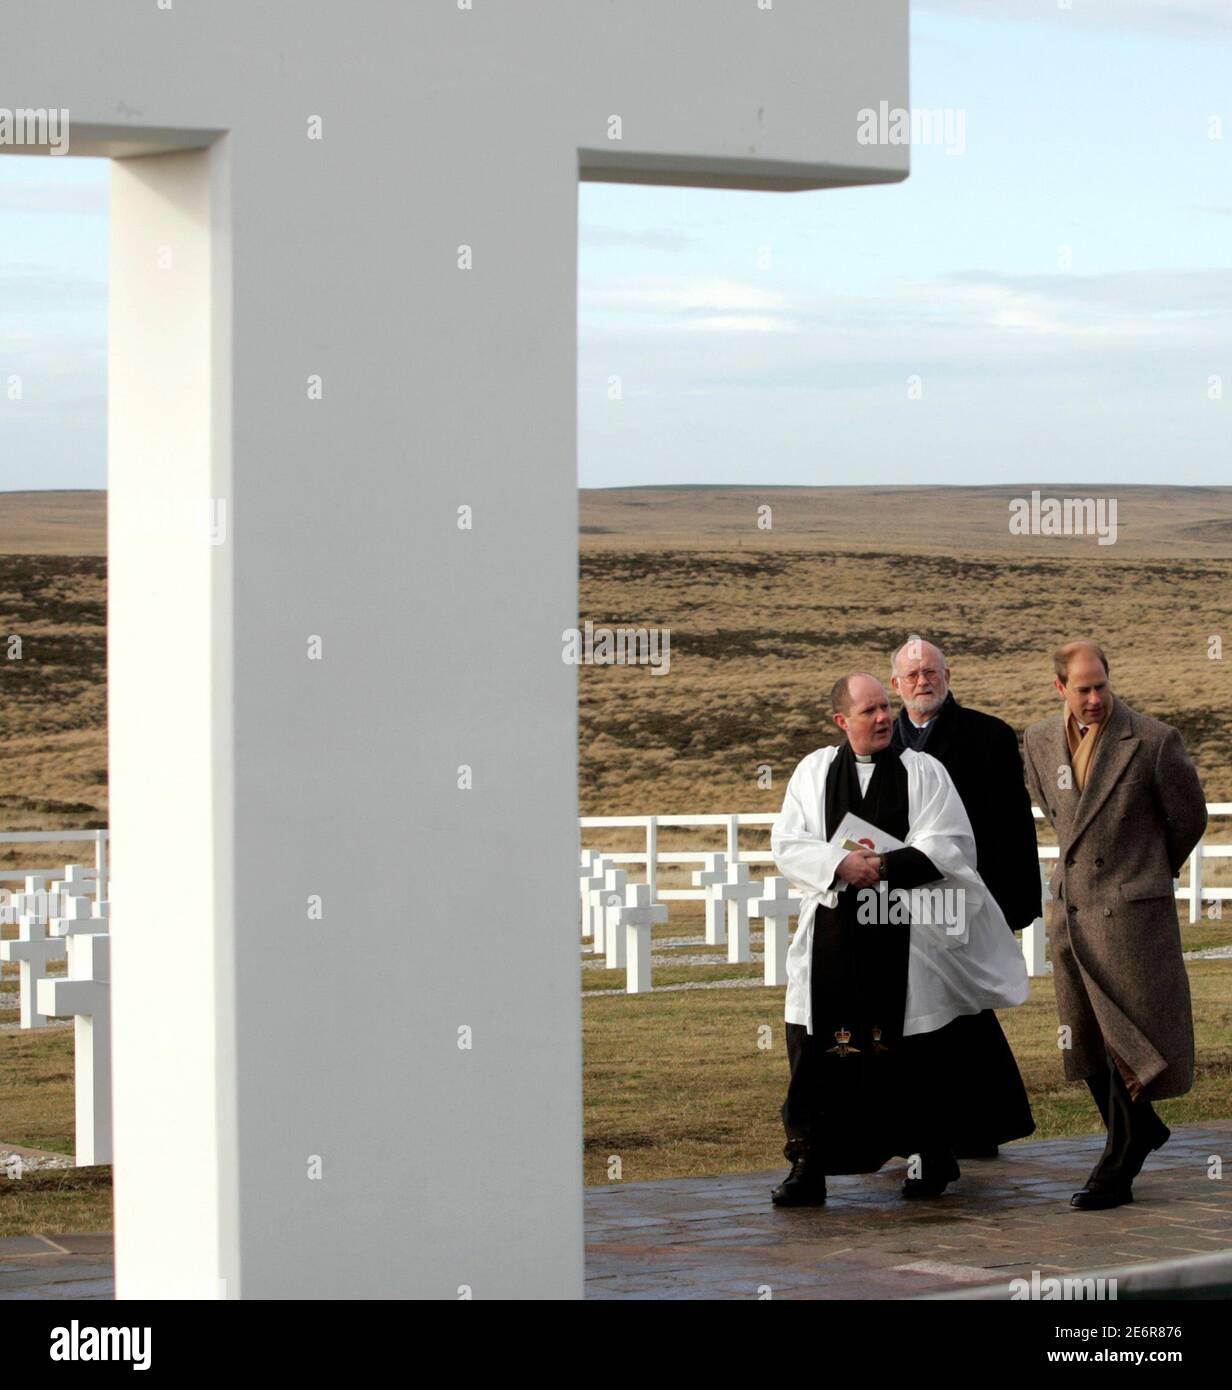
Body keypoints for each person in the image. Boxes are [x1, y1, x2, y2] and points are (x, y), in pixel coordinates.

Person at [770, 672, 1029, 1207]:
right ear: (843, 721)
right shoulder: (814, 771)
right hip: (833, 936)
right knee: (820, 1049)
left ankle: (927, 1158)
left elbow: (951, 841)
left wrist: (883, 864)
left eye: (886, 707)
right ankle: (810, 1165)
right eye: (869, 711)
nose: (884, 718)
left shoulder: (923, 770)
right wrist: (839, 862)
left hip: (907, 932)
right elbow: (788, 842)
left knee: (917, 1054)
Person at [1023, 641, 1207, 1211]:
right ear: (1060, 688)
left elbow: (1189, 818)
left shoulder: (1153, 740)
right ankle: (1139, 1131)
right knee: (1089, 1039)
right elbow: (1059, 818)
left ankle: (1118, 1163)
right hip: (1071, 912)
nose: (1096, 697)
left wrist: (1142, 874)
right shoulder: (1037, 741)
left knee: (1129, 1033)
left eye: (1101, 684)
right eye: (1083, 689)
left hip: (1130, 917)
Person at [889, 635, 1038, 1158]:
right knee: (918, 1010)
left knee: (968, 1006)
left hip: (970, 897)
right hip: (902, 902)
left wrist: (1015, 903)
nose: (922, 681)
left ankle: (982, 1124)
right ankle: (918, 1127)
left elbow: (1013, 827)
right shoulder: (883, 744)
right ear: (896, 686)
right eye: (911, 675)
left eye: (930, 671)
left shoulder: (987, 735)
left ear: (947, 677)